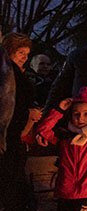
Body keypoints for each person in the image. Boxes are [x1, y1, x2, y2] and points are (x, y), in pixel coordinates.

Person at [36, 87, 87, 211]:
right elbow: (43, 130)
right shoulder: (65, 139)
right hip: (66, 191)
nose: (81, 118)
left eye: (86, 114)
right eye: (76, 114)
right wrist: (59, 110)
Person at [1, 32, 40, 211]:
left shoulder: (18, 75)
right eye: (20, 53)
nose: (25, 58)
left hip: (15, 137)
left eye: (27, 54)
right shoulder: (9, 76)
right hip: (9, 137)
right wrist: (28, 115)